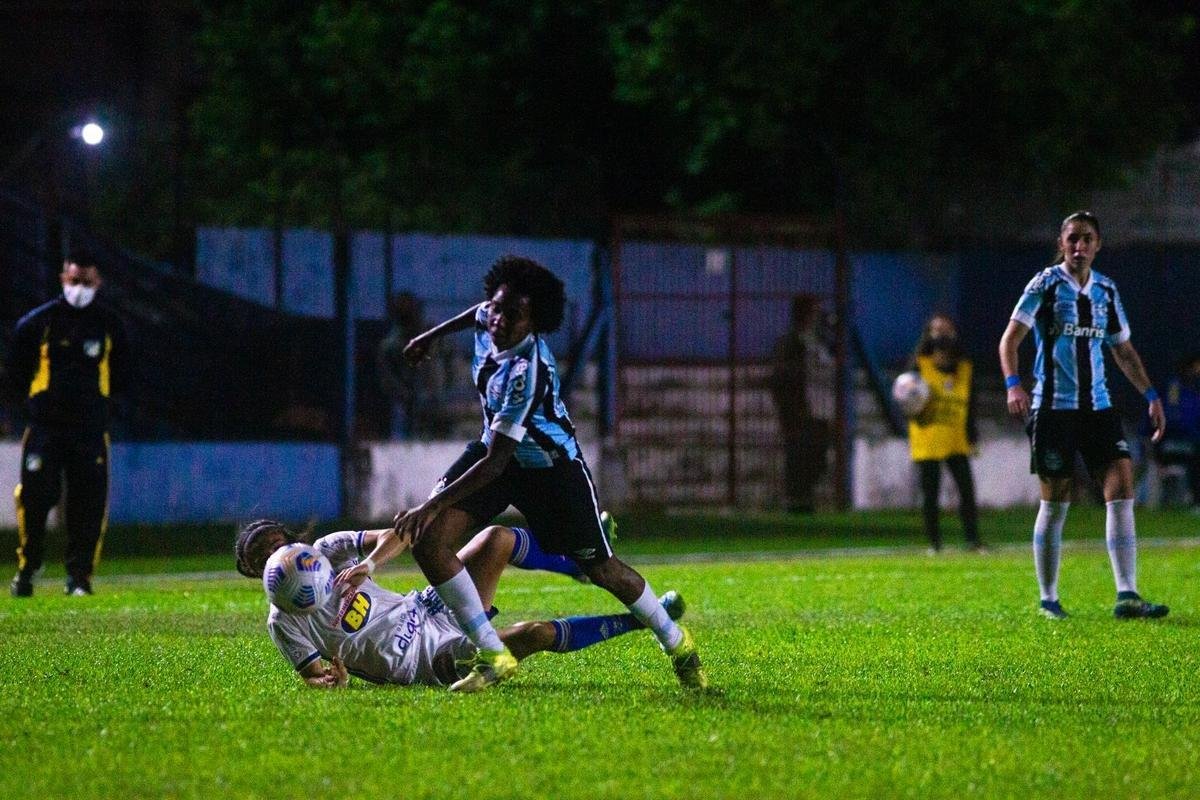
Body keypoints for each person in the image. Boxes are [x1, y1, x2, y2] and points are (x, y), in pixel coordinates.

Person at [337, 255, 706, 693]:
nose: (497, 319)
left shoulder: (527, 371)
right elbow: (475, 315)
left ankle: (677, 642)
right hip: (496, 452)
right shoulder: (491, 317)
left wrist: (430, 504)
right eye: (496, 307)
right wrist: (429, 337)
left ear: (534, 323)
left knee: (602, 569)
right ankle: (493, 654)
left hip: (550, 471)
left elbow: (496, 462)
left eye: (512, 315)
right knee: (429, 540)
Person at [234, 519, 684, 688]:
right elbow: (315, 676)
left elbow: (399, 534)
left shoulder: (328, 549)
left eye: (277, 542)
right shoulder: (283, 622)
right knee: (536, 633)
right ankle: (643, 620)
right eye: (263, 556)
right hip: (428, 660)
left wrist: (369, 564)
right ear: (260, 573)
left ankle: (580, 567)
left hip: (429, 607)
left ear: (292, 541)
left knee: (495, 539)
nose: (278, 553)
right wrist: (333, 680)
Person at [999, 211, 1168, 620]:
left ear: (1098, 245)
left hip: (1098, 406)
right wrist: (1013, 384)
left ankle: (1127, 595)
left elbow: (1123, 350)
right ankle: (1048, 598)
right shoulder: (1044, 285)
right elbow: (1010, 340)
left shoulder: (1106, 291)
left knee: (1121, 487)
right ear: (1062, 243)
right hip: (1053, 408)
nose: (1079, 246)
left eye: (1087, 238)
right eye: (1073, 238)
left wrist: (1150, 395)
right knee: (1057, 499)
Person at [6, 250, 129, 597]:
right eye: (74, 280)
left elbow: (122, 377)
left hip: (89, 431)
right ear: (63, 279)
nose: (79, 288)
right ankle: (28, 567)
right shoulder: (38, 324)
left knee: (88, 504)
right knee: (34, 498)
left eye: (86, 281)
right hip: (45, 429)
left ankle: (79, 578)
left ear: (98, 282)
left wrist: (102, 410)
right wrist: (31, 409)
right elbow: (16, 374)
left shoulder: (110, 325)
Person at [907, 314, 984, 553]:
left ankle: (972, 540)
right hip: (928, 438)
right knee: (931, 494)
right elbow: (905, 398)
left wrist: (972, 435)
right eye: (936, 330)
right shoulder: (920, 365)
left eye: (946, 329)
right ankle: (935, 544)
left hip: (956, 438)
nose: (941, 335)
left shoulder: (965, 368)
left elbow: (971, 405)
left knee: (967, 491)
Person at [769, 294, 831, 513]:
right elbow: (780, 377)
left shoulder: (819, 341)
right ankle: (797, 500)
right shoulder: (791, 342)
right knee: (798, 455)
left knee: (818, 457)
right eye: (815, 312)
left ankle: (804, 497)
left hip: (819, 408)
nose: (818, 317)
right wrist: (789, 407)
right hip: (799, 410)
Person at [377, 292, 431, 439]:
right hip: (400, 403)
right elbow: (386, 377)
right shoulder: (390, 345)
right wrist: (403, 393)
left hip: (424, 401)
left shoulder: (428, 341)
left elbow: (433, 371)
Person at [1154, 352, 1200, 507]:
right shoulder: (1174, 389)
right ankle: (1194, 501)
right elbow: (1173, 418)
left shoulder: (1192, 391)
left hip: (1188, 442)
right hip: (1173, 443)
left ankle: (1193, 501)